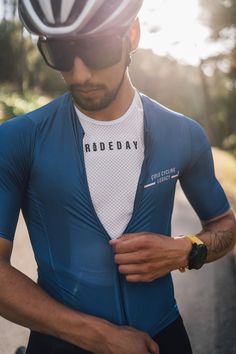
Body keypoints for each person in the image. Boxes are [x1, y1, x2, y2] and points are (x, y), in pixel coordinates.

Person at [0, 1, 235, 353]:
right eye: (59, 53)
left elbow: (224, 224)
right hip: (58, 344)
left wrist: (186, 250)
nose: (79, 75)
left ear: (133, 34)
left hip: (163, 336)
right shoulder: (18, 139)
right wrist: (97, 336)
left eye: (97, 48)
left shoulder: (183, 134)